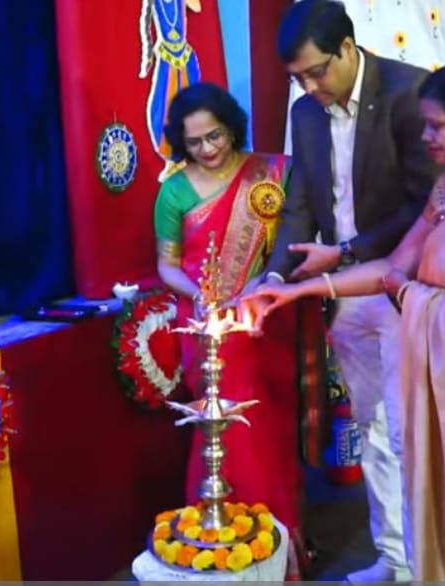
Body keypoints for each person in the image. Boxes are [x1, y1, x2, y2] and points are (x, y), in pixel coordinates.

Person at [247, 59, 445, 581]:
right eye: (425, 124)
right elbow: (392, 266)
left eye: (437, 126)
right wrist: (296, 289)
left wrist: (408, 293)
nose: (425, 138)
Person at [257, 1, 439, 580]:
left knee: (412, 430)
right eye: (297, 79)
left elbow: (426, 205)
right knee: (372, 428)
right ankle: (395, 558)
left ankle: (434, 559)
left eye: (317, 73)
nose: (309, 88)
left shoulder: (409, 93)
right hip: (346, 291)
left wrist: (348, 251)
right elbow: (301, 203)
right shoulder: (306, 112)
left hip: (408, 284)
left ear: (347, 48)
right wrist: (275, 276)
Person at [152, 81, 310, 579]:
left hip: (263, 316)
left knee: (271, 428)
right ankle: (221, 542)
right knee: (224, 428)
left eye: (215, 135)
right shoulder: (174, 191)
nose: (207, 148)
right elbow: (166, 265)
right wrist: (199, 295)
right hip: (208, 327)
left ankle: (279, 541)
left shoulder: (270, 174)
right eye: (194, 141)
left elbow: (293, 239)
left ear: (232, 127)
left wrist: (263, 284)